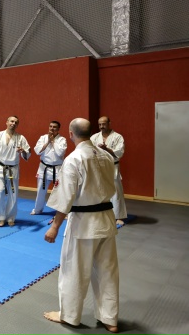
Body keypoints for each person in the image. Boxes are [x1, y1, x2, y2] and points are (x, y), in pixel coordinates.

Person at [43, 118, 119, 333]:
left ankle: (69, 315)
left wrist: (55, 226)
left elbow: (66, 196)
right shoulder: (106, 156)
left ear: (70, 133)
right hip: (107, 219)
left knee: (74, 270)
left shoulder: (73, 159)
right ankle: (110, 318)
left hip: (83, 224)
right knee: (107, 272)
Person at [0, 116, 31, 227]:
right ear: (6, 122)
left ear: (17, 125)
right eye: (11, 121)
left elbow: (28, 152)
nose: (13, 123)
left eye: (16, 122)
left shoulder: (20, 138)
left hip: (13, 168)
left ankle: (10, 217)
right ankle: (0, 217)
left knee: (13, 193)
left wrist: (23, 151)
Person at [91, 116, 128, 227]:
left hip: (112, 166)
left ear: (109, 123)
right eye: (100, 124)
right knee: (97, 191)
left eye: (104, 124)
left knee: (116, 192)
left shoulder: (117, 137)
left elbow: (119, 153)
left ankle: (119, 216)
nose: (101, 126)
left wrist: (106, 149)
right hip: (98, 167)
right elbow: (90, 150)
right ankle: (99, 213)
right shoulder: (94, 137)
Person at [31, 121, 67, 215]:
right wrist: (48, 142)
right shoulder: (43, 138)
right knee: (40, 190)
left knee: (60, 191)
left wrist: (53, 141)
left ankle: (61, 212)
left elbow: (60, 153)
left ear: (58, 129)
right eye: (50, 126)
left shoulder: (62, 140)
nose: (52, 128)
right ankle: (37, 209)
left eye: (54, 127)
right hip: (44, 168)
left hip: (57, 169)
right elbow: (37, 151)